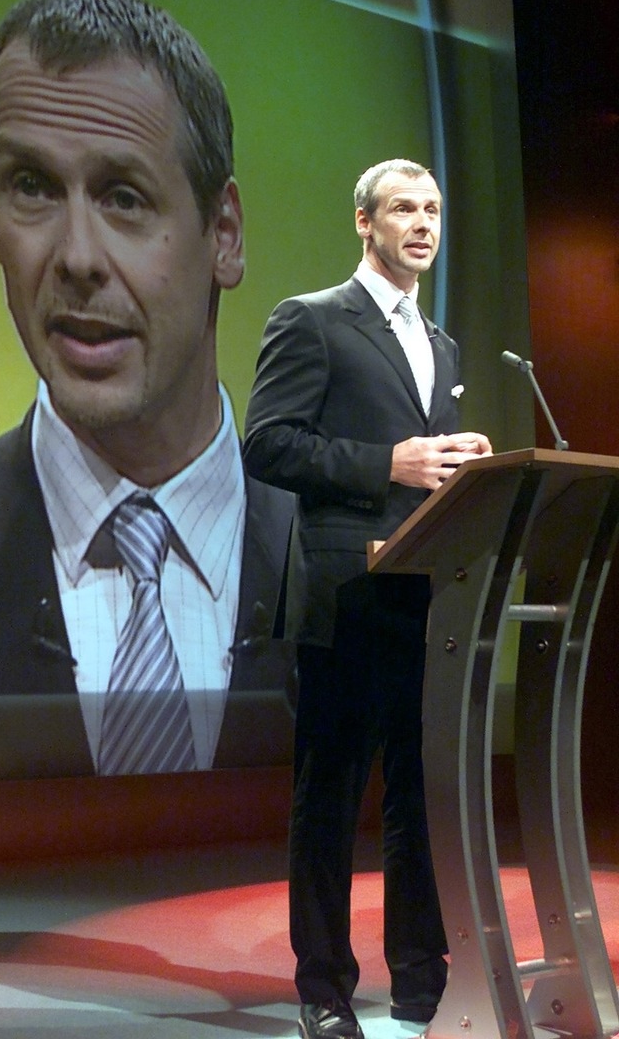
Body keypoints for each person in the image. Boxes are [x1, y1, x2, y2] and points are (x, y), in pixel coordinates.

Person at [0, 0, 294, 778]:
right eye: (33, 187)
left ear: (224, 234)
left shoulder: (360, 572)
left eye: (123, 197)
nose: (75, 258)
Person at [242, 158, 492, 1039]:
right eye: (402, 208)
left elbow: (423, 467)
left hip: (426, 590)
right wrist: (386, 462)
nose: (422, 223)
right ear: (363, 221)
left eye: (432, 208)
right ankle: (324, 991)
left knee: (418, 797)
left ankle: (423, 981)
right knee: (329, 798)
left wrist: (458, 467)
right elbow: (267, 444)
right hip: (343, 593)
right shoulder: (310, 321)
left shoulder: (445, 343)